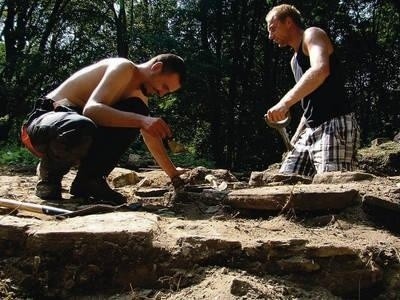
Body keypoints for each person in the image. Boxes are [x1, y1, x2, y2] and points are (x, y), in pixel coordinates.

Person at [21, 54, 186, 204]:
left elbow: (150, 136)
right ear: (156, 68)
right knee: (84, 124)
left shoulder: (138, 98)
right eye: (164, 86)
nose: (162, 94)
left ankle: (89, 180)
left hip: (76, 127)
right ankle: (49, 178)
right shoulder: (124, 67)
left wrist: (173, 175)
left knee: (137, 112)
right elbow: (91, 110)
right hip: (44, 124)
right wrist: (143, 120)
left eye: (167, 92)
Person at [265, 4, 360, 178]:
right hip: (309, 130)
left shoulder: (313, 35)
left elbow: (320, 70)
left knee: (332, 187)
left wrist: (284, 103)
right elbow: (308, 100)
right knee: (284, 181)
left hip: (334, 124)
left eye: (273, 28)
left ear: (288, 22)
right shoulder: (294, 61)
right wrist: (297, 134)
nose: (271, 36)